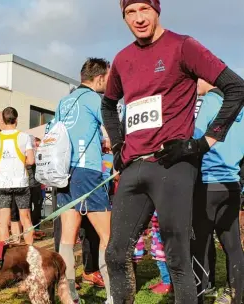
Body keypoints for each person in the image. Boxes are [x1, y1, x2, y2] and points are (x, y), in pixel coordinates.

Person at [101, 1, 244, 303]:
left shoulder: (183, 46)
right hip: (133, 166)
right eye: (130, 12)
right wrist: (117, 144)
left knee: (177, 256)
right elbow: (108, 104)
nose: (139, 19)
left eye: (144, 9)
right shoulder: (122, 58)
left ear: (157, 9)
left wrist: (202, 143)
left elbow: (236, 87)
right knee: (115, 253)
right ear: (123, 15)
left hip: (173, 165)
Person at [54, 58, 112, 304]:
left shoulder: (63, 101)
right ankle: (114, 295)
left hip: (64, 173)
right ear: (99, 78)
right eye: (107, 80)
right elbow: (111, 131)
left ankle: (69, 297)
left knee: (67, 239)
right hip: (88, 171)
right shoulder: (94, 99)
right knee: (108, 236)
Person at [191, 79, 244, 304]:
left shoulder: (211, 102)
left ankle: (199, 297)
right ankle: (237, 297)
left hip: (208, 183)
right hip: (231, 184)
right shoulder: (239, 105)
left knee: (199, 245)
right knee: (232, 245)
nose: (195, 81)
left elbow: (196, 138)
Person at [0, 107, 35, 244]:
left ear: (2, 120)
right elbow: (31, 161)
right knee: (25, 219)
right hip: (21, 183)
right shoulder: (24, 137)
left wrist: (3, 162)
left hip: (3, 184)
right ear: (16, 119)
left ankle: (3, 254)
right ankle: (29, 250)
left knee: (3, 221)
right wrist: (17, 161)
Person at [27, 136, 45, 240]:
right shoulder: (27, 155)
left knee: (38, 207)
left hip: (38, 185)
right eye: (36, 145)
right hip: (27, 185)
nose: (38, 147)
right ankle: (29, 230)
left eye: (39, 145)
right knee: (27, 208)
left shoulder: (41, 155)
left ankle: (36, 228)